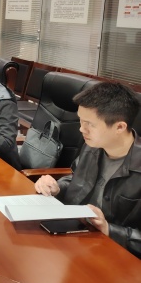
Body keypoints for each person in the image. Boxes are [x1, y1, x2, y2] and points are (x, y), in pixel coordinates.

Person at [34, 82, 141, 258]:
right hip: (77, 238)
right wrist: (57, 187)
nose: (81, 129)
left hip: (116, 255)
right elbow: (77, 179)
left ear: (120, 127)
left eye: (89, 124)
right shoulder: (92, 146)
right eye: (81, 121)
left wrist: (109, 229)